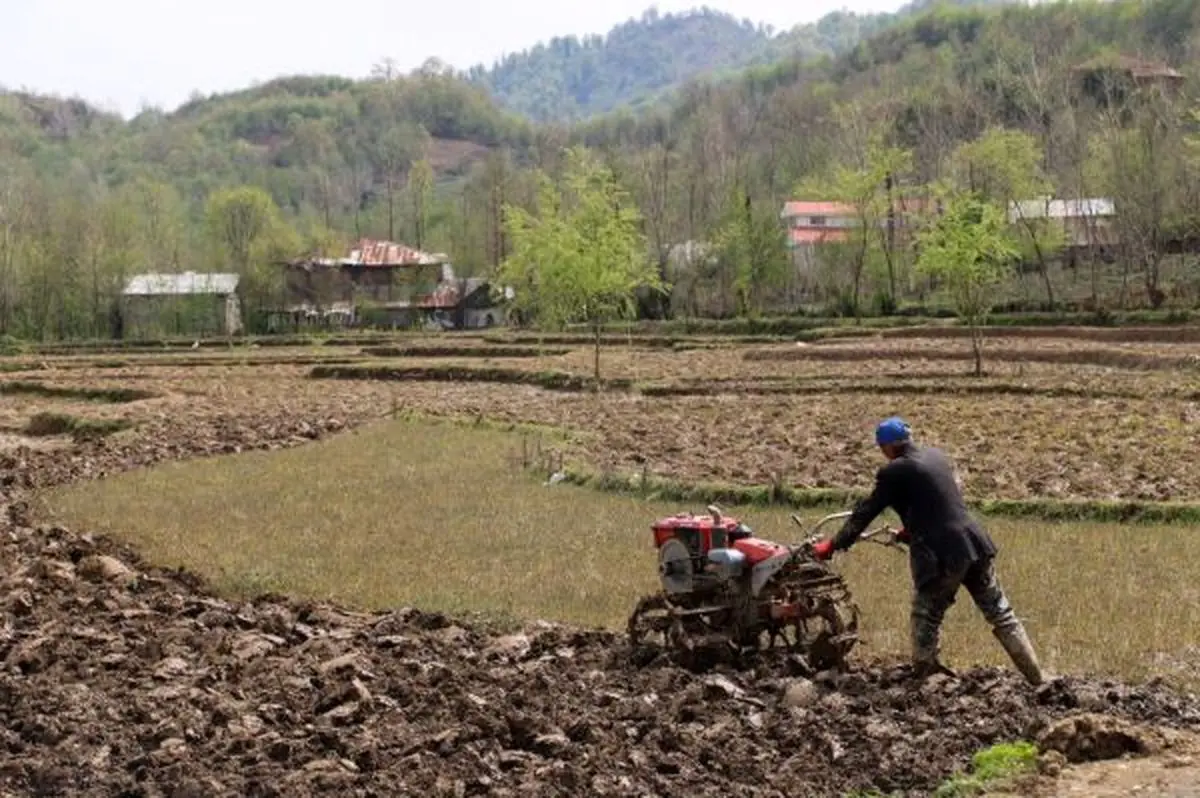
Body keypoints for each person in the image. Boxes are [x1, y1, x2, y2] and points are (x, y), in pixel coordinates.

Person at [811, 417, 1045, 686]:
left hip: (942, 553)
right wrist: (912, 530)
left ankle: (926, 679)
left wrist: (834, 544)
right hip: (974, 542)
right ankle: (1037, 677)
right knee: (1001, 613)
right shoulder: (935, 457)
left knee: (926, 614)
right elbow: (937, 502)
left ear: (887, 447)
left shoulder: (894, 471)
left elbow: (867, 511)